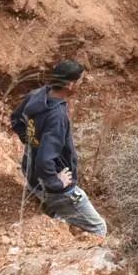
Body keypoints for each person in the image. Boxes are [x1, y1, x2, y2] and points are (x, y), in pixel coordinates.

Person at [12, 60, 105, 234]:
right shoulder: (57, 116)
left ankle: (55, 219)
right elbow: (44, 160)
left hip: (31, 177)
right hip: (53, 189)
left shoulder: (37, 95)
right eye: (80, 80)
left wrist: (33, 141)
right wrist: (56, 183)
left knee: (57, 216)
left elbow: (16, 120)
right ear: (70, 84)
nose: (82, 84)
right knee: (99, 227)